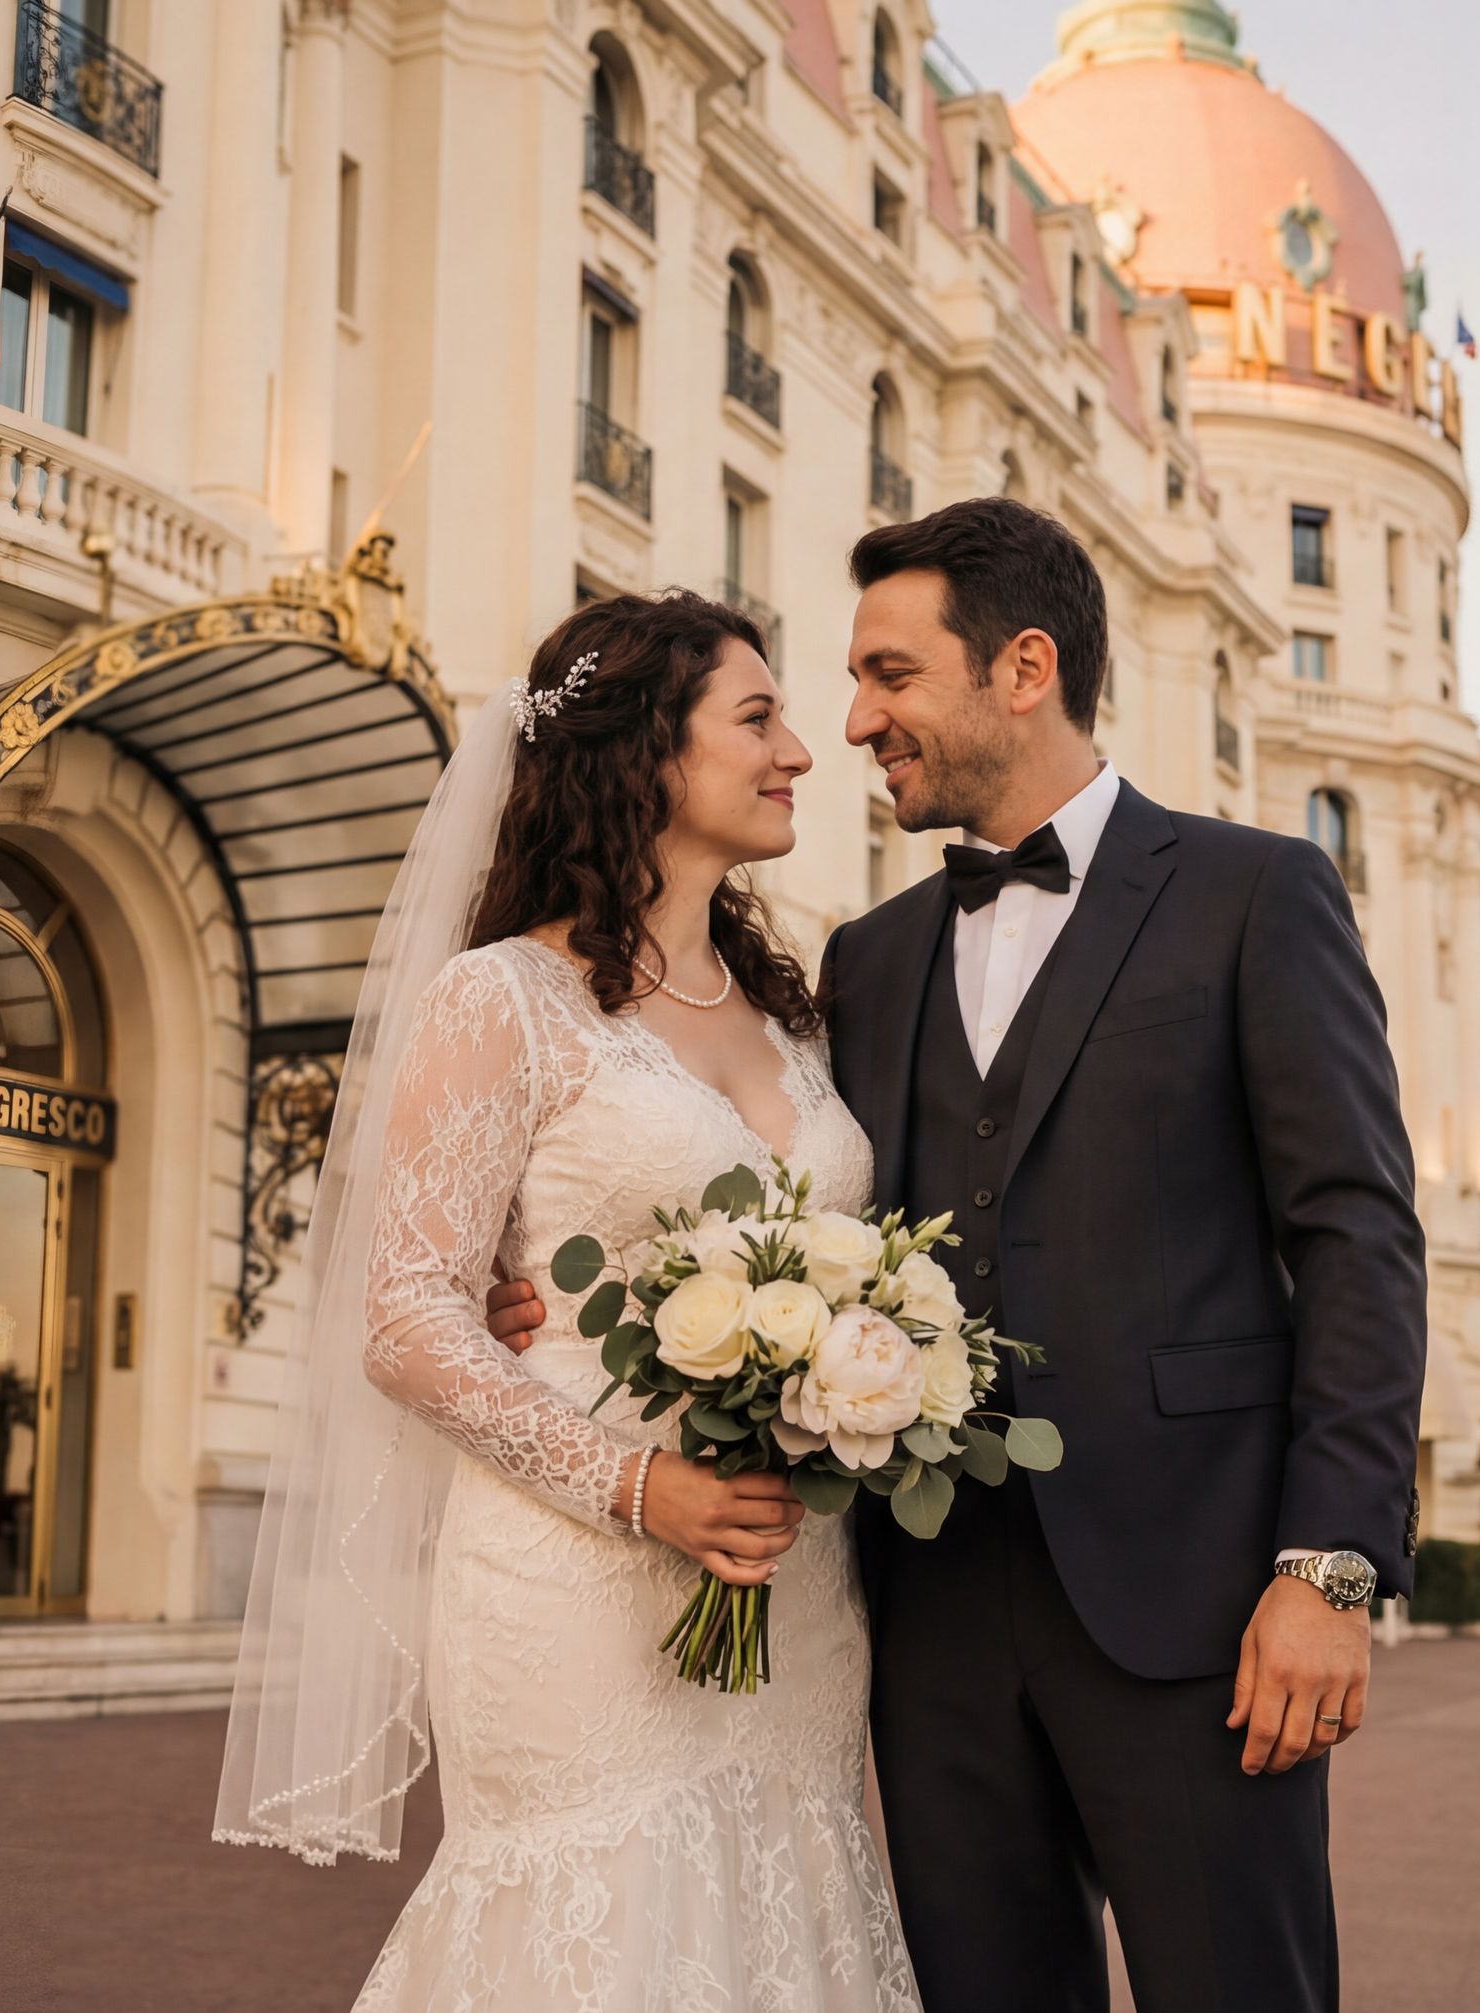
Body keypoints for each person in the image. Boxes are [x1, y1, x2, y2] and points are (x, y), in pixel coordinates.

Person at [492, 499, 1429, 2010]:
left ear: (1024, 668)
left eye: (889, 675)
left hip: (1195, 1608)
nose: (854, 723)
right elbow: (764, 1199)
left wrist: (1328, 1566)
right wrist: (521, 1267)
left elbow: (1360, 1241)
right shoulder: (867, 958)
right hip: (922, 1623)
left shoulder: (1258, 895)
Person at [215, 592, 921, 2008]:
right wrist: (636, 1485)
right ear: (648, 752)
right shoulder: (503, 1001)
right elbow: (410, 1318)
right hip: (573, 1582)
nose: (801, 749)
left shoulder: (796, 1015)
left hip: (792, 1594)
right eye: (759, 717)